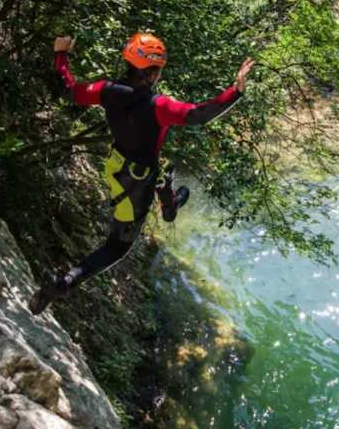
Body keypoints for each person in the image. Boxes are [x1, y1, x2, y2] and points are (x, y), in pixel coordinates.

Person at [28, 33, 254, 315]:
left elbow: (69, 90)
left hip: (119, 170)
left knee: (164, 170)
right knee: (116, 246)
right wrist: (237, 90)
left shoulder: (106, 90)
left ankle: (169, 205)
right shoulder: (158, 106)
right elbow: (199, 115)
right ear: (155, 72)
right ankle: (63, 284)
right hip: (137, 186)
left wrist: (60, 53)